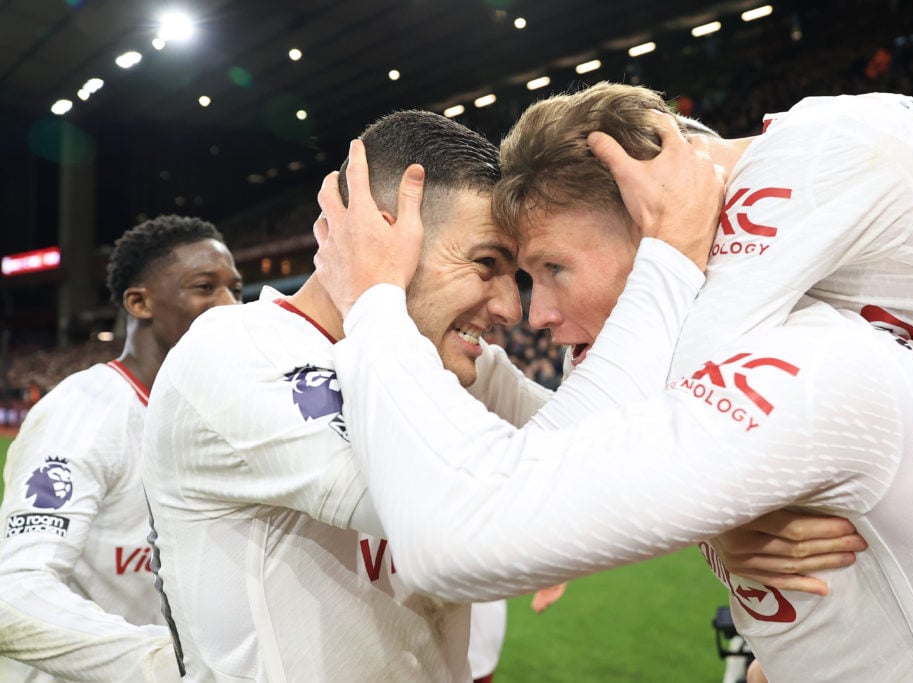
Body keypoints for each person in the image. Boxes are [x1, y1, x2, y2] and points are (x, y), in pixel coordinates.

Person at [311, 98, 913, 680]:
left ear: (651, 208)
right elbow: (600, 445)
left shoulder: (805, 186)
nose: (539, 315)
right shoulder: (810, 263)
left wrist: (377, 301)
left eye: (550, 267)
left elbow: (507, 506)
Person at [141, 111, 631, 681]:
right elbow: (456, 511)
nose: (511, 309)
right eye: (486, 264)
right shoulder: (237, 352)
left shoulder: (454, 366)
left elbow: (621, 454)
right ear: (380, 233)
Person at [0, 215, 242, 682]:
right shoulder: (84, 412)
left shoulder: (212, 414)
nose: (230, 305)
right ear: (139, 301)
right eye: (205, 287)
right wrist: (163, 666)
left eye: (235, 288)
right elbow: (14, 590)